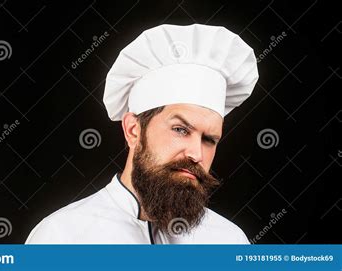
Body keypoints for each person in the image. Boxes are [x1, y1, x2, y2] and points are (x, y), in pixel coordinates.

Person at [25, 24, 258, 244]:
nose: (196, 153)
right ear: (133, 130)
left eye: (209, 140)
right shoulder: (62, 237)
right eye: (180, 130)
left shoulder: (228, 240)